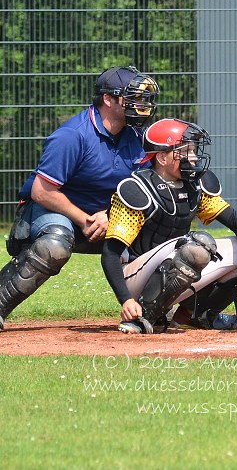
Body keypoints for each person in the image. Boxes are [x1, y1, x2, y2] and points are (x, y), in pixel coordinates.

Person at [0, 66, 159, 331]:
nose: (142, 105)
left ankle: (159, 311)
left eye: (144, 99)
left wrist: (110, 216)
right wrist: (85, 220)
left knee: (159, 225)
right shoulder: (72, 135)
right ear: (108, 99)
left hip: (104, 217)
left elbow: (143, 189)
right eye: (133, 97)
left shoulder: (138, 136)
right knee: (56, 244)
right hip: (52, 212)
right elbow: (42, 191)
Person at [101, 118, 237, 334]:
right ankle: (141, 317)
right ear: (161, 157)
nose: (194, 156)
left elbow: (234, 219)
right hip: (133, 276)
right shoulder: (137, 189)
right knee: (198, 245)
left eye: (193, 150)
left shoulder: (195, 184)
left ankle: (194, 315)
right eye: (184, 151)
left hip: (175, 261)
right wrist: (125, 299)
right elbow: (110, 254)